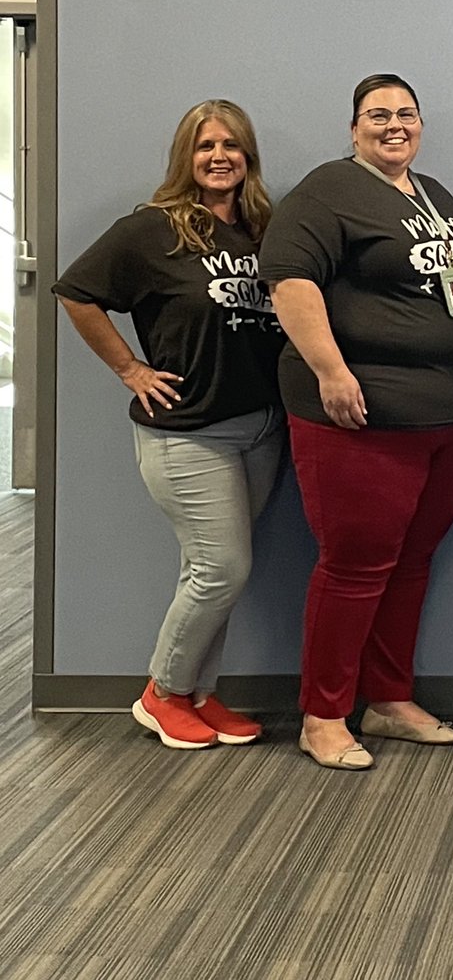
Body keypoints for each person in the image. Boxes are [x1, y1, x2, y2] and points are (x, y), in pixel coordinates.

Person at [259, 73, 453, 770]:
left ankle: (388, 698)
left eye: (407, 113)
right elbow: (290, 280)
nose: (395, 125)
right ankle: (324, 713)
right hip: (360, 418)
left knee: (411, 563)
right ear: (354, 127)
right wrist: (332, 370)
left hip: (450, 416)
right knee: (354, 566)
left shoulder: (433, 196)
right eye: (378, 114)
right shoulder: (328, 190)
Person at [54, 99, 283, 750]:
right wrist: (130, 367)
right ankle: (162, 692)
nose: (219, 156)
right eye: (206, 145)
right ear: (186, 155)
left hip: (260, 429)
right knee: (223, 568)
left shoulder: (262, 228)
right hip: (187, 432)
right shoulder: (152, 230)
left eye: (232, 145)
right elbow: (77, 292)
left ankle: (199, 695)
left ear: (248, 156)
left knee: (211, 570)